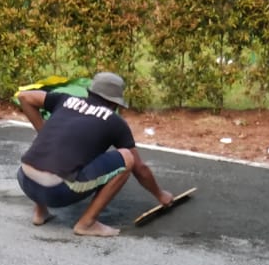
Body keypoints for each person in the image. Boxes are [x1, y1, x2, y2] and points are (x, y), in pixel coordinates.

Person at [16, 71, 173, 237]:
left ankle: (40, 212)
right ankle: (87, 223)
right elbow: (140, 168)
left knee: (50, 145)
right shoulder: (115, 122)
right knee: (127, 158)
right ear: (115, 104)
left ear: (89, 92)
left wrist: (42, 130)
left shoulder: (66, 100)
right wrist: (161, 195)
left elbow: (24, 97)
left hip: (25, 181)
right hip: (57, 192)